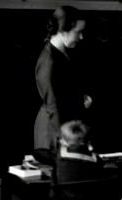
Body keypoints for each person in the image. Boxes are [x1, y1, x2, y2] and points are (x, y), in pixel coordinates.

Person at [34, 6, 91, 156]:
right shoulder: (49, 61)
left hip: (63, 131)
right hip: (53, 134)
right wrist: (65, 141)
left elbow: (64, 90)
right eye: (78, 32)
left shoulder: (62, 53)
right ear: (62, 31)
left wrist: (80, 99)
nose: (81, 37)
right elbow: (53, 106)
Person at [55, 120, 104, 184]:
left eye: (61, 138)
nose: (59, 140)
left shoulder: (60, 157)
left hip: (65, 193)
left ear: (66, 142)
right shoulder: (96, 159)